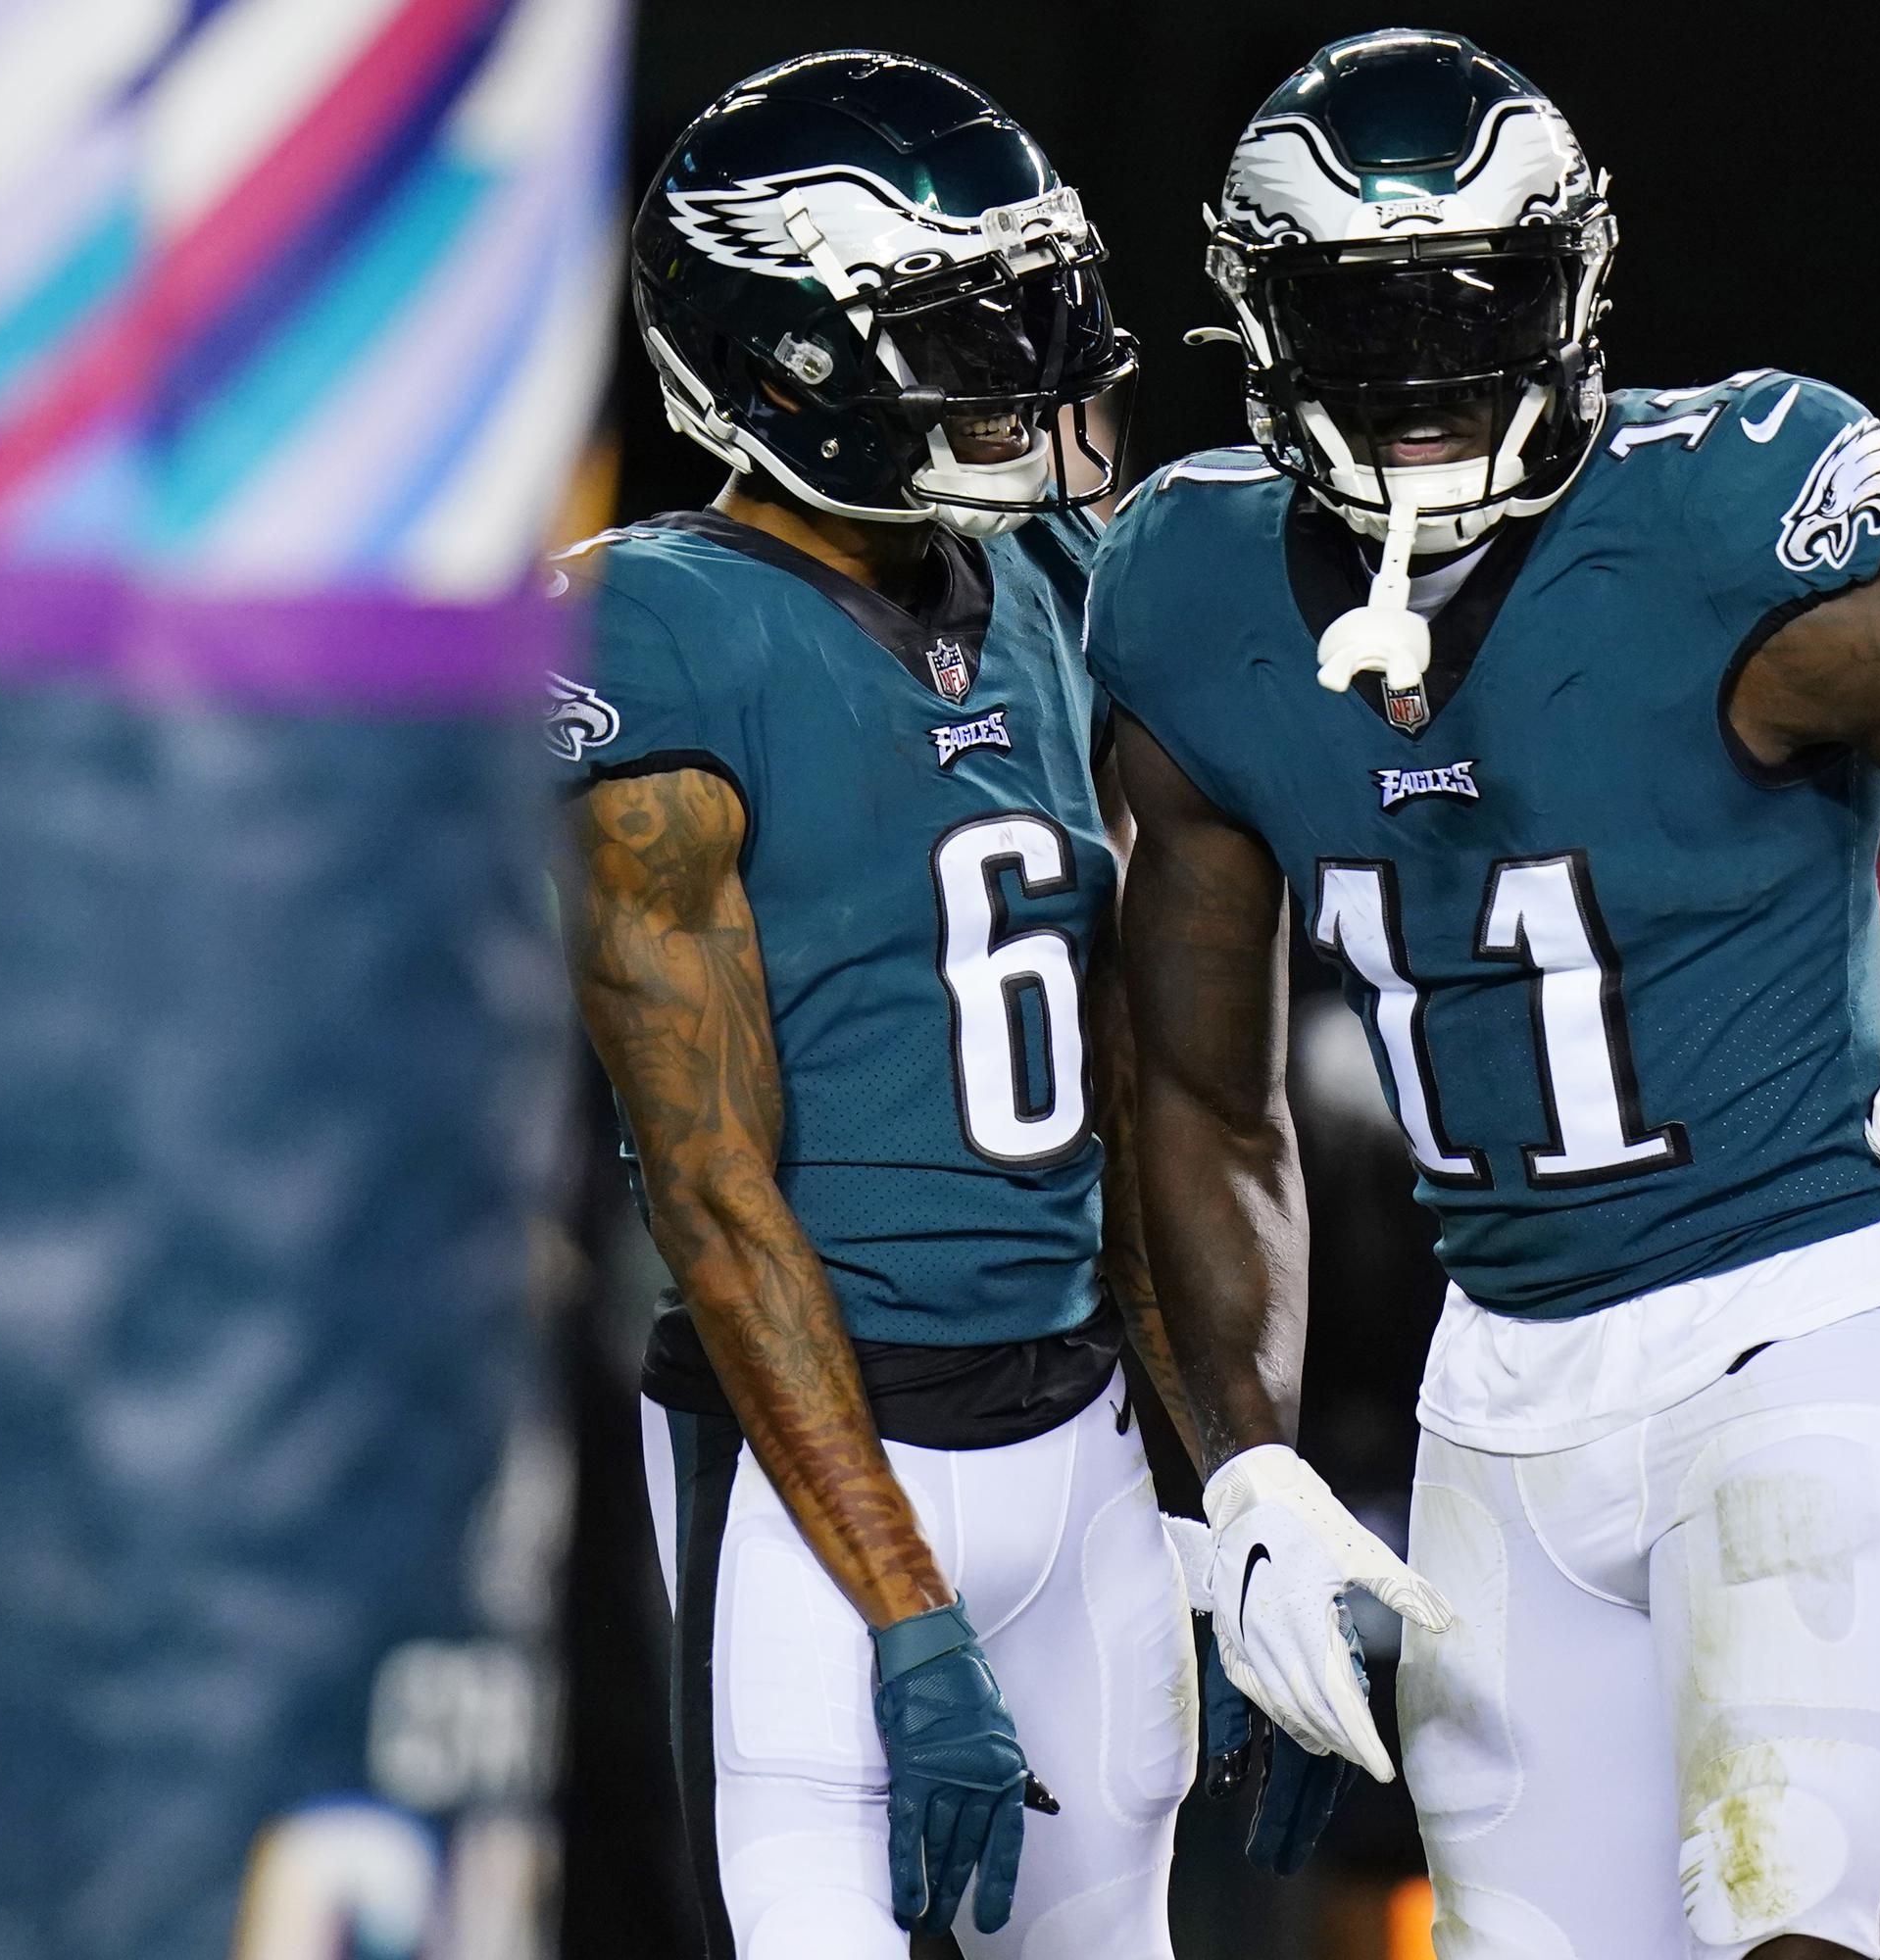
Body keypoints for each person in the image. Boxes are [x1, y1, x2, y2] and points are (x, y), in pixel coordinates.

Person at [1085, 28, 1880, 1960]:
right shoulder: (1190, 587)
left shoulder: (1728, 515)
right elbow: (1201, 1090)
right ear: (1259, 322)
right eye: (1362, 321)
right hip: (1503, 1369)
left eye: (1470, 310)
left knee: (1786, 1926)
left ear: (1577, 292)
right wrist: (1247, 1471)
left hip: (1797, 1320)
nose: (1420, 376)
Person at [550, 53, 1330, 1958]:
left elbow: (1134, 1089)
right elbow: (716, 1192)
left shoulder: (1056, 573)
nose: (1027, 373)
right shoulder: (653, 634)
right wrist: (903, 1609)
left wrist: (1227, 1496)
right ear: (785, 356)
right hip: (812, 1479)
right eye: (961, 334)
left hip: (1078, 1440)